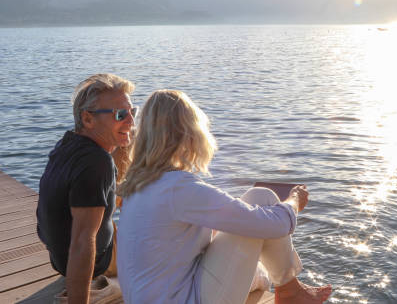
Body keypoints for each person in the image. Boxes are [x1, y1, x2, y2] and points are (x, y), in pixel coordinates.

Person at [116, 90, 333, 304]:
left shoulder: (141, 184)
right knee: (263, 201)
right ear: (189, 133)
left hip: (154, 295)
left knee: (257, 209)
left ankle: (288, 290)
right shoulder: (178, 188)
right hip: (180, 298)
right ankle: (289, 291)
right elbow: (274, 225)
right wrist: (294, 201)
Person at [37, 73, 137, 303]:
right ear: (88, 119)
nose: (131, 121)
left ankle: (121, 195)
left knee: (128, 139)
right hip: (91, 262)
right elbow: (83, 241)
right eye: (120, 114)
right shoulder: (97, 164)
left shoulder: (67, 143)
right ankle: (104, 288)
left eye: (133, 111)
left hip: (58, 254)